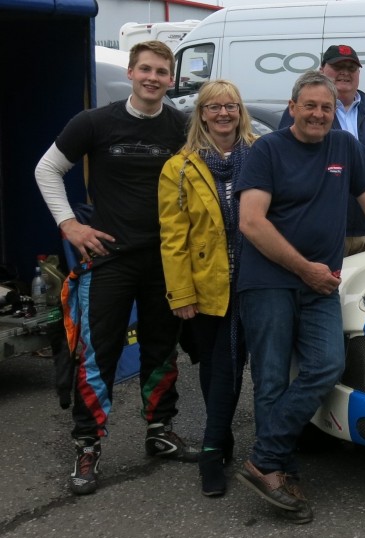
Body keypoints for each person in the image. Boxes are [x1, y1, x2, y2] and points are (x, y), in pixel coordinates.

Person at [234, 71, 365, 523]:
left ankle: (263, 459)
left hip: (320, 283)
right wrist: (304, 269)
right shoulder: (266, 150)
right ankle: (281, 473)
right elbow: (251, 222)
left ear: (335, 112)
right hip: (271, 281)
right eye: (309, 106)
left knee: (327, 364)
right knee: (271, 379)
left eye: (326, 108)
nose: (317, 114)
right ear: (292, 108)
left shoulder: (344, 148)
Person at [34, 40, 197, 496]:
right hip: (108, 259)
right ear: (130, 72)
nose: (153, 78)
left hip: (165, 261)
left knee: (163, 348)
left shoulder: (182, 126)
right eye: (145, 69)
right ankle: (87, 444)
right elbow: (47, 170)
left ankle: (160, 430)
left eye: (162, 72)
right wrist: (70, 225)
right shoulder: (94, 122)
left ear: (171, 79)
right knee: (96, 355)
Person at [157, 80, 257, 497]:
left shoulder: (259, 156)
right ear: (200, 114)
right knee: (216, 367)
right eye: (213, 107)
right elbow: (173, 238)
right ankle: (219, 444)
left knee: (230, 366)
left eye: (230, 106)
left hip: (253, 283)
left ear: (240, 111)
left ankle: (213, 448)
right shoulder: (178, 168)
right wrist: (181, 295)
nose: (222, 114)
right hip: (206, 287)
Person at [278, 45, 365, 256]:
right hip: (326, 233)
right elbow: (287, 168)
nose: (345, 72)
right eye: (337, 66)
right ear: (322, 69)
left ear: (359, 73)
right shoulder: (303, 114)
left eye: (351, 67)